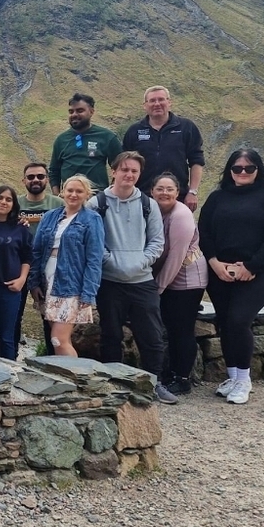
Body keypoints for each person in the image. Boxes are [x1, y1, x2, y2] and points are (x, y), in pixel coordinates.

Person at [198, 149, 264, 405]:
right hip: (220, 272)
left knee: (239, 320)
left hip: (258, 273)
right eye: (237, 168)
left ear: (258, 170)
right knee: (226, 322)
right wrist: (214, 262)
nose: (243, 173)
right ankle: (232, 376)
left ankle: (244, 380)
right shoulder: (217, 198)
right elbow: (203, 231)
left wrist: (251, 267)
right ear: (230, 170)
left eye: (249, 168)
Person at [86, 151, 176, 404]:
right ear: (113, 171)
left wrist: (140, 262)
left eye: (134, 171)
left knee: (151, 335)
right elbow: (94, 243)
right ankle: (114, 384)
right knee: (111, 335)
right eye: (124, 169)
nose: (129, 174)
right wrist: (112, 262)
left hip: (142, 281)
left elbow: (157, 242)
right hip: (110, 282)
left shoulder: (149, 205)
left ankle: (153, 383)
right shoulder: (97, 204)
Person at [28, 174, 104, 358]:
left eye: (79, 191)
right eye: (70, 190)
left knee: (58, 339)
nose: (74, 194)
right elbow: (36, 251)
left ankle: (75, 379)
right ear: (63, 192)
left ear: (87, 194)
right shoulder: (49, 217)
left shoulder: (92, 220)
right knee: (56, 339)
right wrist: (34, 283)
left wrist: (89, 292)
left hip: (71, 285)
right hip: (48, 282)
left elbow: (94, 259)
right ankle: (63, 379)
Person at [150, 173, 207, 396]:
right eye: (160, 189)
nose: (164, 193)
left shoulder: (181, 214)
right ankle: (171, 373)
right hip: (171, 277)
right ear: (152, 191)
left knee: (181, 330)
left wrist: (158, 289)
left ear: (178, 192)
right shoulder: (156, 212)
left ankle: (182, 378)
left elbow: (176, 256)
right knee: (171, 328)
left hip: (187, 280)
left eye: (169, 189)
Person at [123, 85, 205, 211]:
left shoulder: (186, 127)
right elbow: (125, 165)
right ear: (145, 105)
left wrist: (192, 192)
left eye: (161, 99)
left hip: (177, 197)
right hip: (141, 198)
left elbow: (197, 161)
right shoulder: (134, 131)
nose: (157, 104)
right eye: (152, 101)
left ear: (169, 102)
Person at [0, 186, 32, 361]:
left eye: (8, 199)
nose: (3, 202)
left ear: (14, 204)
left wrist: (22, 279)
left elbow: (27, 257)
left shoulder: (20, 227)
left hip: (10, 290)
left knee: (7, 337)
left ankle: (8, 376)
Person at [17, 162, 63, 352]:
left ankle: (51, 359)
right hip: (19, 266)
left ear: (46, 179)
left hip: (49, 267)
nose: (35, 180)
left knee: (49, 317)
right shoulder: (15, 203)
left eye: (40, 176)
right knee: (14, 315)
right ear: (24, 180)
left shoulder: (59, 204)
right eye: (31, 177)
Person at [48, 92, 122, 194]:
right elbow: (54, 171)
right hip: (69, 199)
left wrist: (110, 194)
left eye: (80, 111)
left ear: (91, 112)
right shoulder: (61, 140)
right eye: (71, 111)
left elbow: (120, 168)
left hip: (97, 198)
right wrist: (57, 198)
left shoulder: (107, 137)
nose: (74, 114)